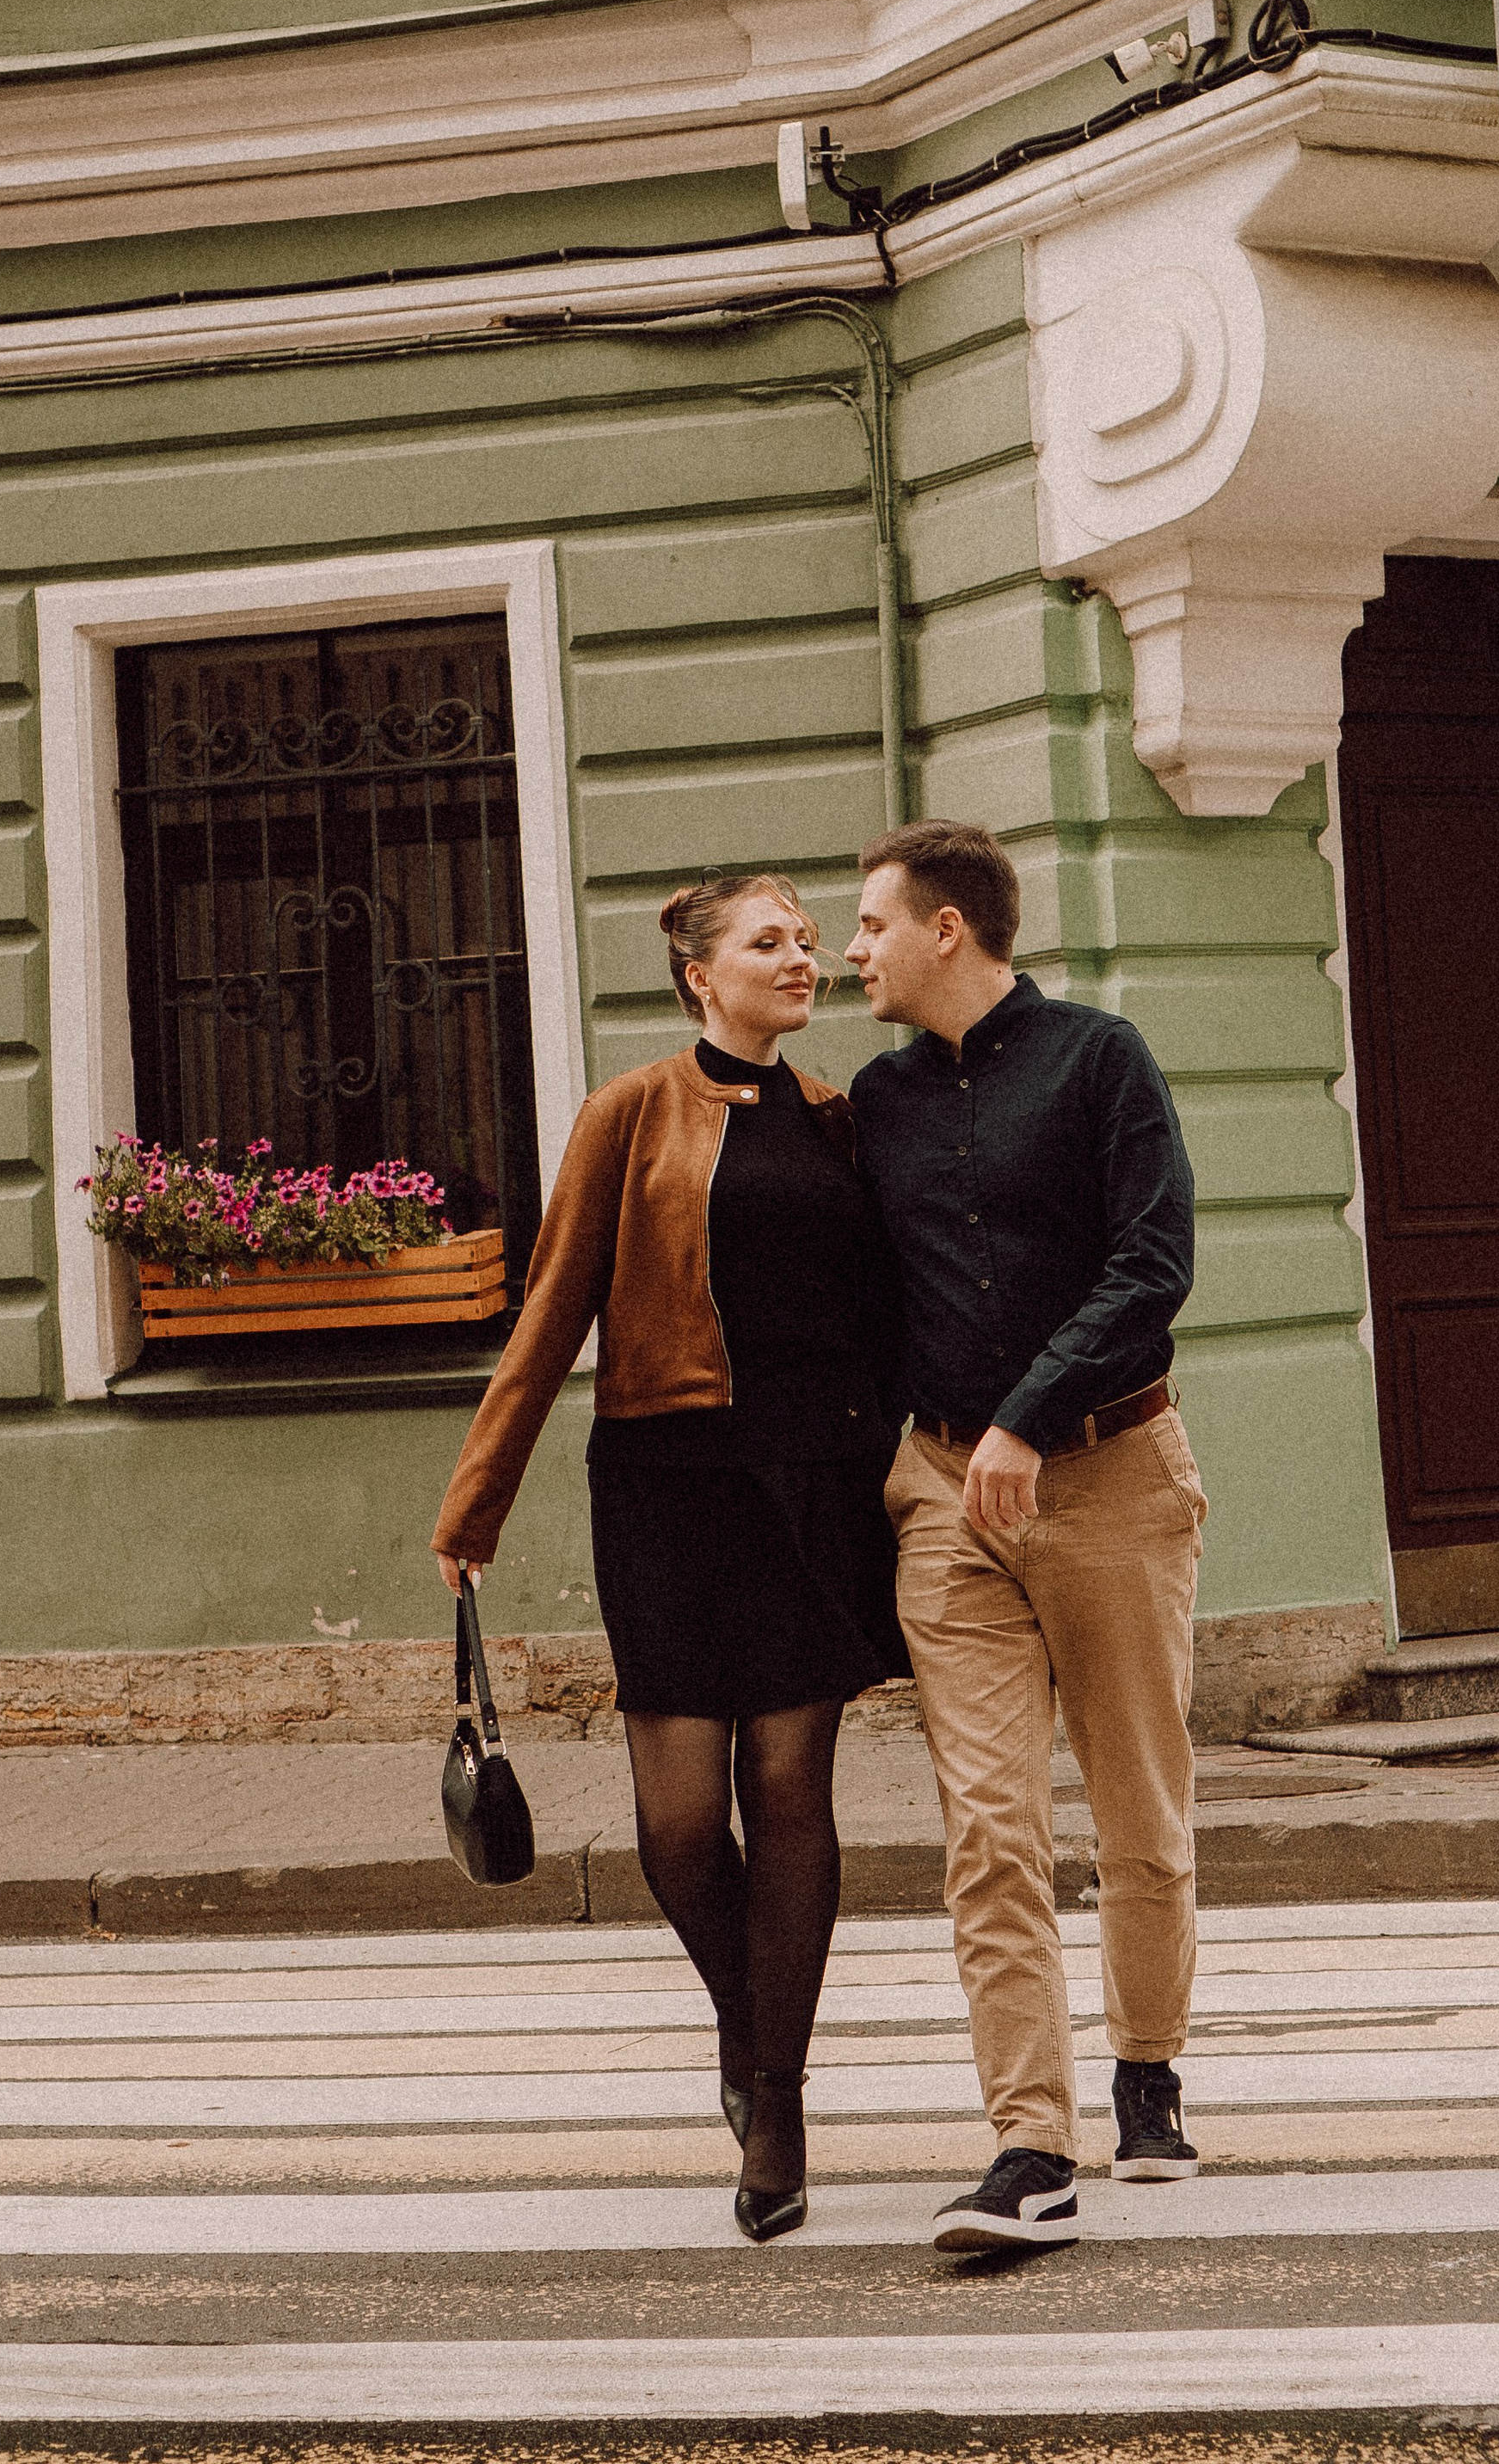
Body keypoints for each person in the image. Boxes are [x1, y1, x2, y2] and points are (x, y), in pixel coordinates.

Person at [432, 870, 903, 2245]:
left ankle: (783, 2102)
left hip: (813, 1487)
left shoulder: (839, 1120)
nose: (803, 958)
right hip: (667, 1486)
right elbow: (551, 1311)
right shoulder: (630, 1113)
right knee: (683, 1827)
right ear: (704, 974)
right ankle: (748, 2029)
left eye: (811, 940)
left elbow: (883, 1313)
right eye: (772, 943)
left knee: (788, 1789)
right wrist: (477, 1506)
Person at [845, 819, 1203, 2254]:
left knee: (1138, 1813)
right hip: (945, 1496)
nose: (851, 951)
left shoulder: (1101, 1059)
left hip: (1110, 1477)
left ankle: (1150, 2074)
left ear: (947, 930)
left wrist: (1030, 1415)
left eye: (870, 925)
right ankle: (1028, 2143)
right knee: (989, 1829)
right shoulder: (874, 1102)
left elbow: (1154, 1261)